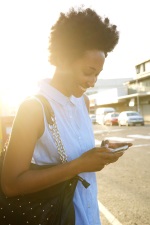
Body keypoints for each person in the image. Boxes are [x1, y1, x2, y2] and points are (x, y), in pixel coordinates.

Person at [1, 6, 132, 225]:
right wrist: (79, 165)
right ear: (63, 61)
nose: (92, 82)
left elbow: (75, 152)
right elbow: (11, 184)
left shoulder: (83, 102)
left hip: (88, 216)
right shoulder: (34, 108)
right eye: (88, 72)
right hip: (55, 217)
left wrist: (100, 151)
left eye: (98, 75)